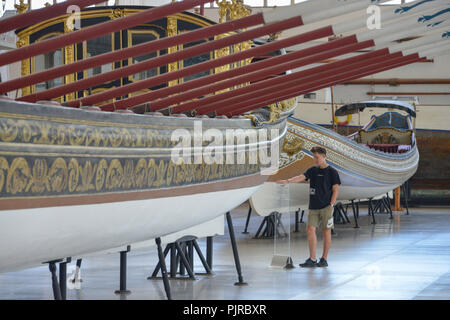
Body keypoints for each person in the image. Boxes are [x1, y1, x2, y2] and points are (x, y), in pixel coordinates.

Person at [277, 146, 341, 268]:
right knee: (310, 229)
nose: (315, 159)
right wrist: (288, 181)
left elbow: (335, 189)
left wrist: (331, 205)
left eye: (317, 157)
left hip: (327, 206)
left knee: (326, 231)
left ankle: (324, 259)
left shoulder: (332, 172)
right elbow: (301, 177)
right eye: (314, 157)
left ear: (324, 156)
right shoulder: (313, 170)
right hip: (313, 206)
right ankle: (312, 258)